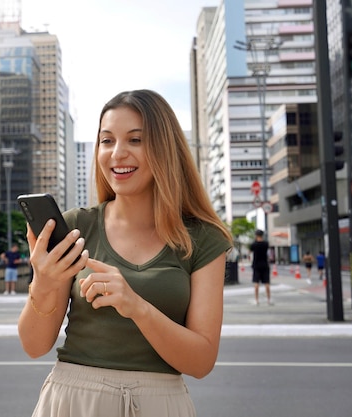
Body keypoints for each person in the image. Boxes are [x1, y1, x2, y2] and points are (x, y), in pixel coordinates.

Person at [18, 90, 232, 417]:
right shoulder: (76, 227)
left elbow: (201, 362)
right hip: (74, 403)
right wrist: (43, 283)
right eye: (107, 141)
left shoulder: (203, 238)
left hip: (161, 405)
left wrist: (136, 307)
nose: (117, 154)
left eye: (135, 140)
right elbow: (34, 346)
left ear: (165, 148)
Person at [250, 229, 272, 306]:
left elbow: (250, 252)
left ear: (256, 235)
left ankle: (257, 300)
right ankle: (268, 300)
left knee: (256, 283)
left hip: (256, 265)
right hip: (265, 264)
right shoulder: (266, 244)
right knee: (267, 283)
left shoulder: (254, 244)